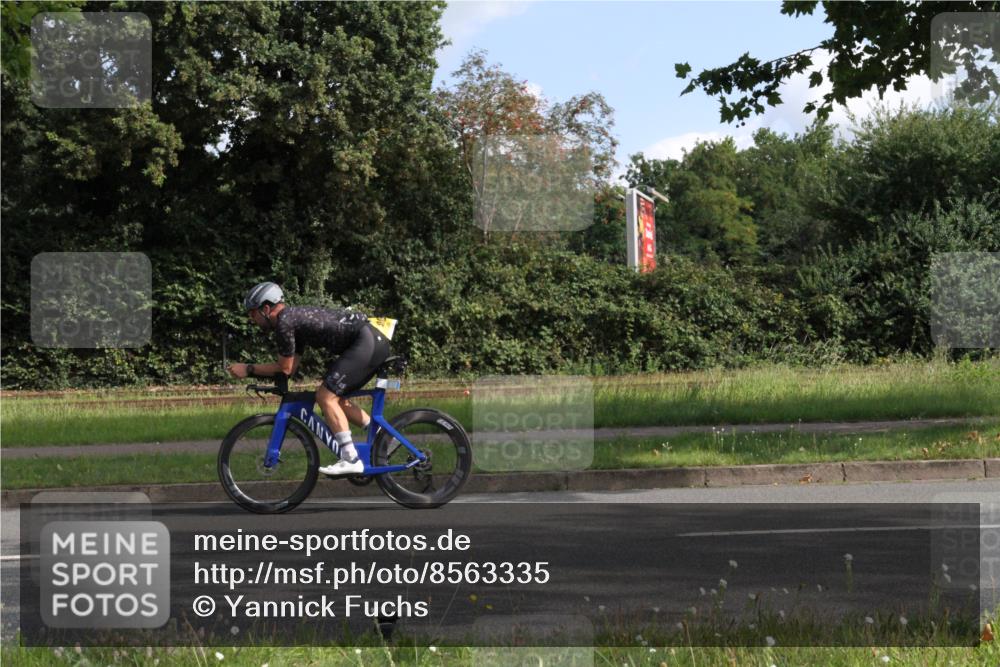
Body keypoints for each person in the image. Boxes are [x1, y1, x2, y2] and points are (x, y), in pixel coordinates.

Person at [227, 281, 390, 475]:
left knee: (325, 397)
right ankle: (386, 439)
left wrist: (248, 368)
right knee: (336, 399)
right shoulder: (294, 319)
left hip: (365, 342)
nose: (251, 318)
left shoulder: (284, 323)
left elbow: (284, 367)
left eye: (252, 312)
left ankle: (350, 458)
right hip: (371, 339)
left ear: (266, 308)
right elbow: (290, 368)